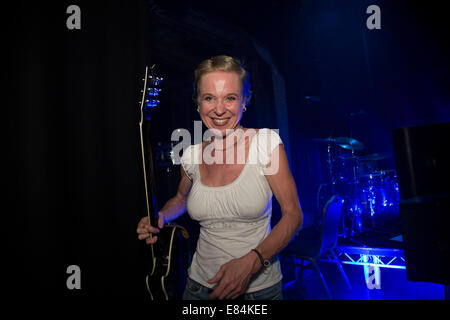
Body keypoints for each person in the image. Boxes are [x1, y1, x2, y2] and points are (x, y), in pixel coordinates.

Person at [136, 55, 303, 300]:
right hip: (198, 289)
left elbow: (293, 214)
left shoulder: (266, 143)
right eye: (209, 98)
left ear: (244, 101)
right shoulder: (192, 155)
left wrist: (252, 262)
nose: (219, 109)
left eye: (230, 98)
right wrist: (159, 217)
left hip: (258, 292)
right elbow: (181, 199)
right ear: (198, 104)